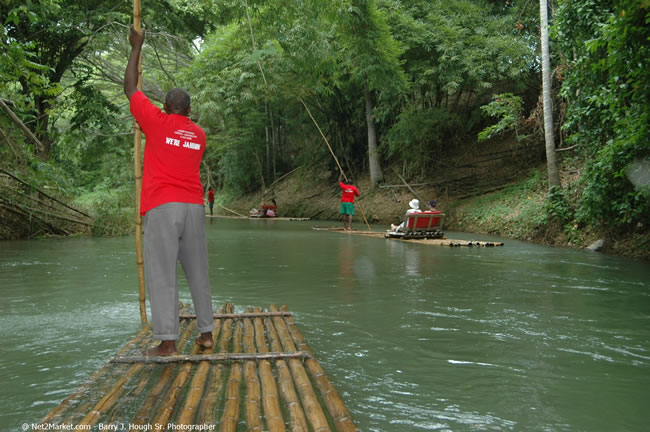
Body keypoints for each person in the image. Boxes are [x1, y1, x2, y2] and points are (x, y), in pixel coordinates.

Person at [124, 25, 215, 356]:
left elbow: (130, 87)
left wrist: (137, 46)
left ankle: (167, 343)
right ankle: (206, 334)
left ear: (165, 107)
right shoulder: (200, 135)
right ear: (189, 111)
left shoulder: (156, 122)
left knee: (162, 275)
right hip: (193, 208)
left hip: (163, 208)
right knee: (198, 271)